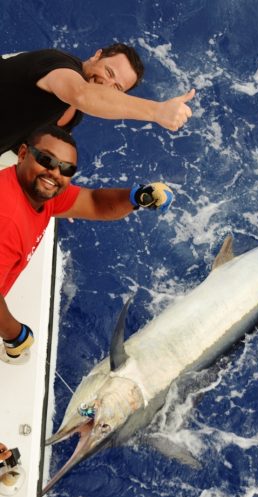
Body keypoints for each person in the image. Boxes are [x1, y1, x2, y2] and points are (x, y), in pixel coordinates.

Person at [0, 125, 174, 358]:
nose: (54, 173)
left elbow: (93, 202)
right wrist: (15, 335)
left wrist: (137, 196)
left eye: (66, 169)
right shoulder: (7, 219)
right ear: (23, 154)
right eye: (46, 160)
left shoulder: (38, 192)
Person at [0, 43, 195, 155]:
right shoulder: (57, 64)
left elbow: (31, 145)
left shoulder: (74, 114)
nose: (106, 85)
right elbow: (81, 94)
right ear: (97, 56)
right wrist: (157, 111)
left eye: (117, 87)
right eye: (109, 72)